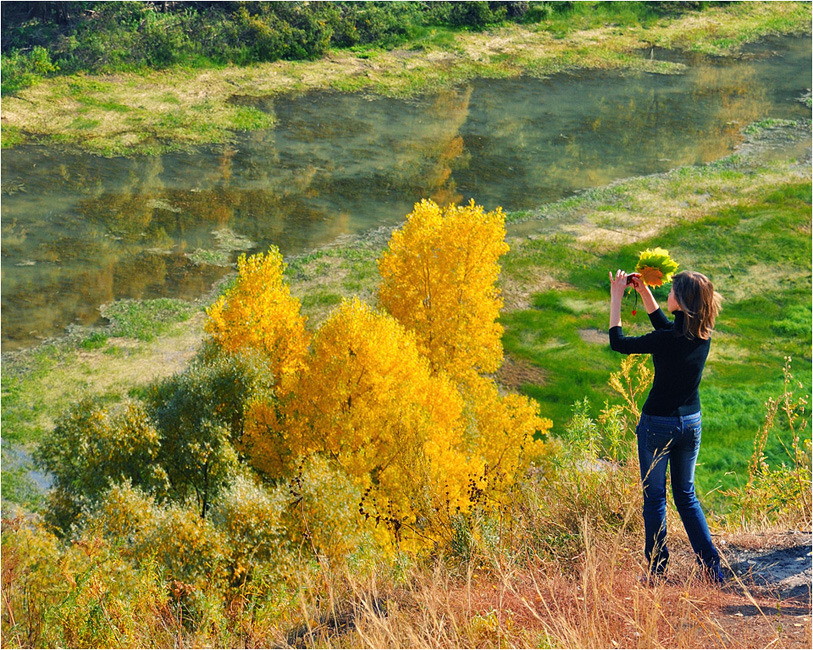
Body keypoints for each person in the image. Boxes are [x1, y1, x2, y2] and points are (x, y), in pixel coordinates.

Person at [608, 269, 724, 584]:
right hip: (690, 423)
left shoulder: (667, 339)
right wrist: (644, 291)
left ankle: (658, 572)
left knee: (655, 497)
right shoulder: (702, 332)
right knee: (686, 495)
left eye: (671, 291)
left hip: (658, 424)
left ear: (682, 302)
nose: (667, 295)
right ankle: (712, 569)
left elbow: (618, 343)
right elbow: (666, 328)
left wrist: (616, 298)